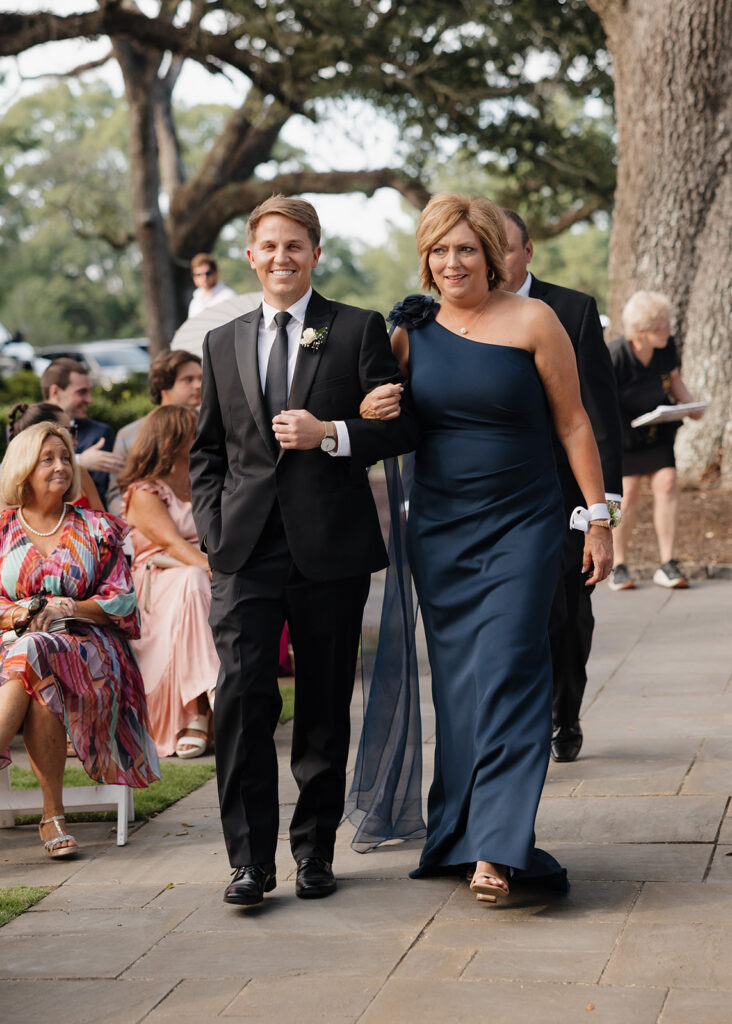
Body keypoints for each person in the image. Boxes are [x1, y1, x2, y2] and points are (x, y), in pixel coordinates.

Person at [358, 193, 612, 902]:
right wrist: (371, 410)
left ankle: (498, 847)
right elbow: (392, 426)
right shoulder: (409, 331)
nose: (451, 262)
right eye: (439, 251)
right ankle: (461, 834)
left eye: (465, 249)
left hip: (524, 525)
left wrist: (598, 517)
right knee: (462, 691)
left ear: (492, 256)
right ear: (426, 258)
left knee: (509, 671)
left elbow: (574, 424)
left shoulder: (535, 321)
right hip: (439, 532)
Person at [190, 194, 418, 907]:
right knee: (241, 702)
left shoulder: (356, 330)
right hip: (244, 550)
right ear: (251, 257)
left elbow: (399, 427)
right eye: (270, 247)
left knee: (322, 706)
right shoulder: (222, 342)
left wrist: (332, 432)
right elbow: (208, 452)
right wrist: (213, 528)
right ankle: (250, 864)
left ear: (315, 253)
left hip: (331, 549)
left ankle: (314, 853)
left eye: (296, 246)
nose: (282, 258)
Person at [0, 422, 159, 858]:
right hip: (12, 650)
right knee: (34, 666)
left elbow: (124, 603)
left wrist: (67, 608)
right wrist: (24, 614)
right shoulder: (1, 529)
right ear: (23, 468)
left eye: (65, 457)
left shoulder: (97, 528)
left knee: (34, 652)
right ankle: (52, 816)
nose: (61, 466)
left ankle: (53, 816)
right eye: (47, 459)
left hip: (91, 652)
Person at [500, 209, 624, 763]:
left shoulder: (572, 310)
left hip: (566, 495)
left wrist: (604, 509)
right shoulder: (456, 316)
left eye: (502, 247)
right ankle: (522, 719)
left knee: (567, 615)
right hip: (500, 497)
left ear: (528, 251)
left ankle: (564, 712)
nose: (491, 258)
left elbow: (597, 413)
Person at [120, 405, 219, 759]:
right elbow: (175, 545)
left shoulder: (206, 480)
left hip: (198, 581)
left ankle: (201, 712)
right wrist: (218, 571)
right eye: (194, 431)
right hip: (158, 583)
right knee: (193, 579)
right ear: (174, 440)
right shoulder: (145, 492)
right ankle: (212, 692)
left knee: (195, 584)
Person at [608, 290, 704, 590]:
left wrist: (690, 405)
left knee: (666, 483)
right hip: (624, 434)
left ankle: (667, 563)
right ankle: (619, 565)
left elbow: (674, 381)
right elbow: (602, 401)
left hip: (657, 430)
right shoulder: (616, 355)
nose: (667, 330)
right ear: (641, 332)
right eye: (661, 325)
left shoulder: (666, 347)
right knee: (629, 490)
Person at [105, 350, 203, 515]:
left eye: (201, 378)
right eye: (188, 380)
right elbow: (116, 493)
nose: (198, 385)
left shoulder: (211, 428)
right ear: (164, 387)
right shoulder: (130, 434)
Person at [41, 358, 123, 506]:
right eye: (81, 392)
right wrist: (78, 461)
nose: (89, 400)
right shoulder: (22, 426)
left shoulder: (100, 434)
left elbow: (103, 493)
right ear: (55, 392)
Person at [5, 402, 104, 511]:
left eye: (65, 458)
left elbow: (103, 523)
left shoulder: (79, 473)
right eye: (68, 431)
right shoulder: (7, 511)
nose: (75, 442)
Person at [187, 253, 237, 319]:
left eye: (208, 273)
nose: (204, 278)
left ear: (215, 272)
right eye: (199, 274)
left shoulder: (228, 296)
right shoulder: (195, 302)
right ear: (194, 277)